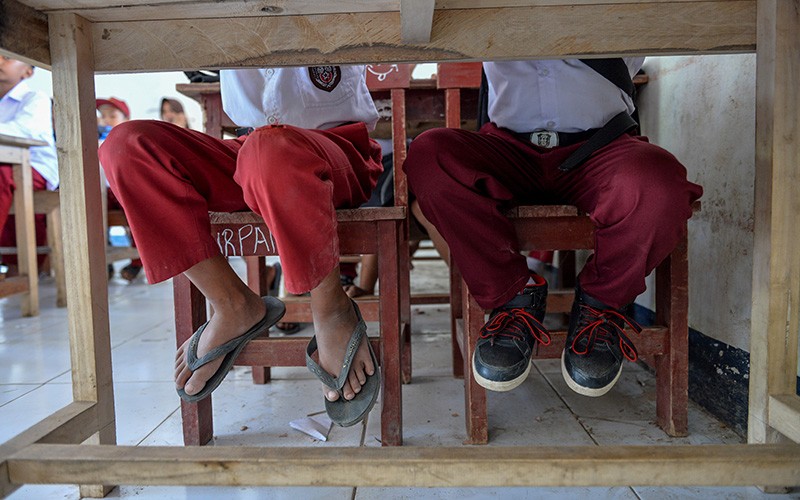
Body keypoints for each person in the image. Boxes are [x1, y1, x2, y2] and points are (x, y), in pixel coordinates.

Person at [99, 66, 383, 427]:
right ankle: (232, 304)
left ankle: (331, 309)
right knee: (126, 146)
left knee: (271, 149)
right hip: (247, 152)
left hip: (337, 149)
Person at [405, 59, 703, 397]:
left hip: (599, 147)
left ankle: (600, 306)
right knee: (430, 155)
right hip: (509, 149)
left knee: (658, 184)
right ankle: (512, 299)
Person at [0, 56, 58, 273]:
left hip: (35, 167)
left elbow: (25, 130)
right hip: (7, 166)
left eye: (7, 57)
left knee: (1, 174)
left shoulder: (35, 98)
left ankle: (20, 265)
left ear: (28, 72)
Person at [96, 97, 144, 282]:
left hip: (125, 188)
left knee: (135, 209)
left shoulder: (130, 139)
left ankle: (138, 261)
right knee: (92, 211)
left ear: (126, 118)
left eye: (112, 115)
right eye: (103, 116)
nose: (106, 120)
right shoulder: (97, 139)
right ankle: (103, 260)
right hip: (103, 191)